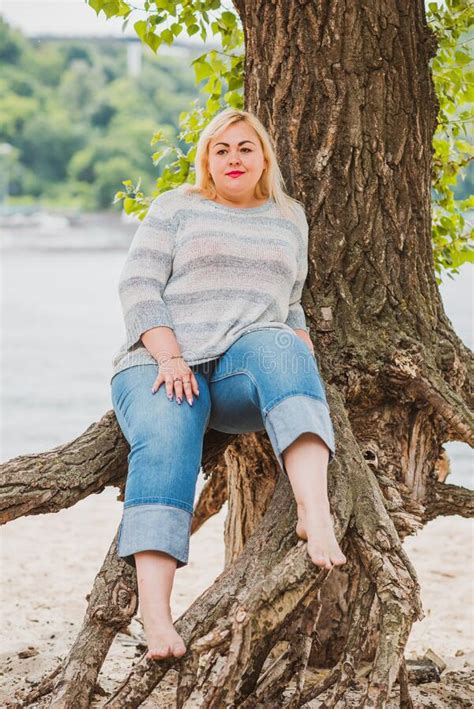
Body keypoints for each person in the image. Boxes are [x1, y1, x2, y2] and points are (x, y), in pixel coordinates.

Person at [110, 107, 346, 661]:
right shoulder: (178, 207)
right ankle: (158, 620)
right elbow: (139, 285)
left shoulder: (291, 216)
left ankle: (316, 514)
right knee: (167, 442)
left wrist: (297, 339)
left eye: (245, 147)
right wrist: (168, 355)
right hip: (162, 362)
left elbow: (290, 302)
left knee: (283, 342)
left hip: (240, 368)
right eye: (221, 149)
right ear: (206, 160)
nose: (234, 158)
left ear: (264, 156)